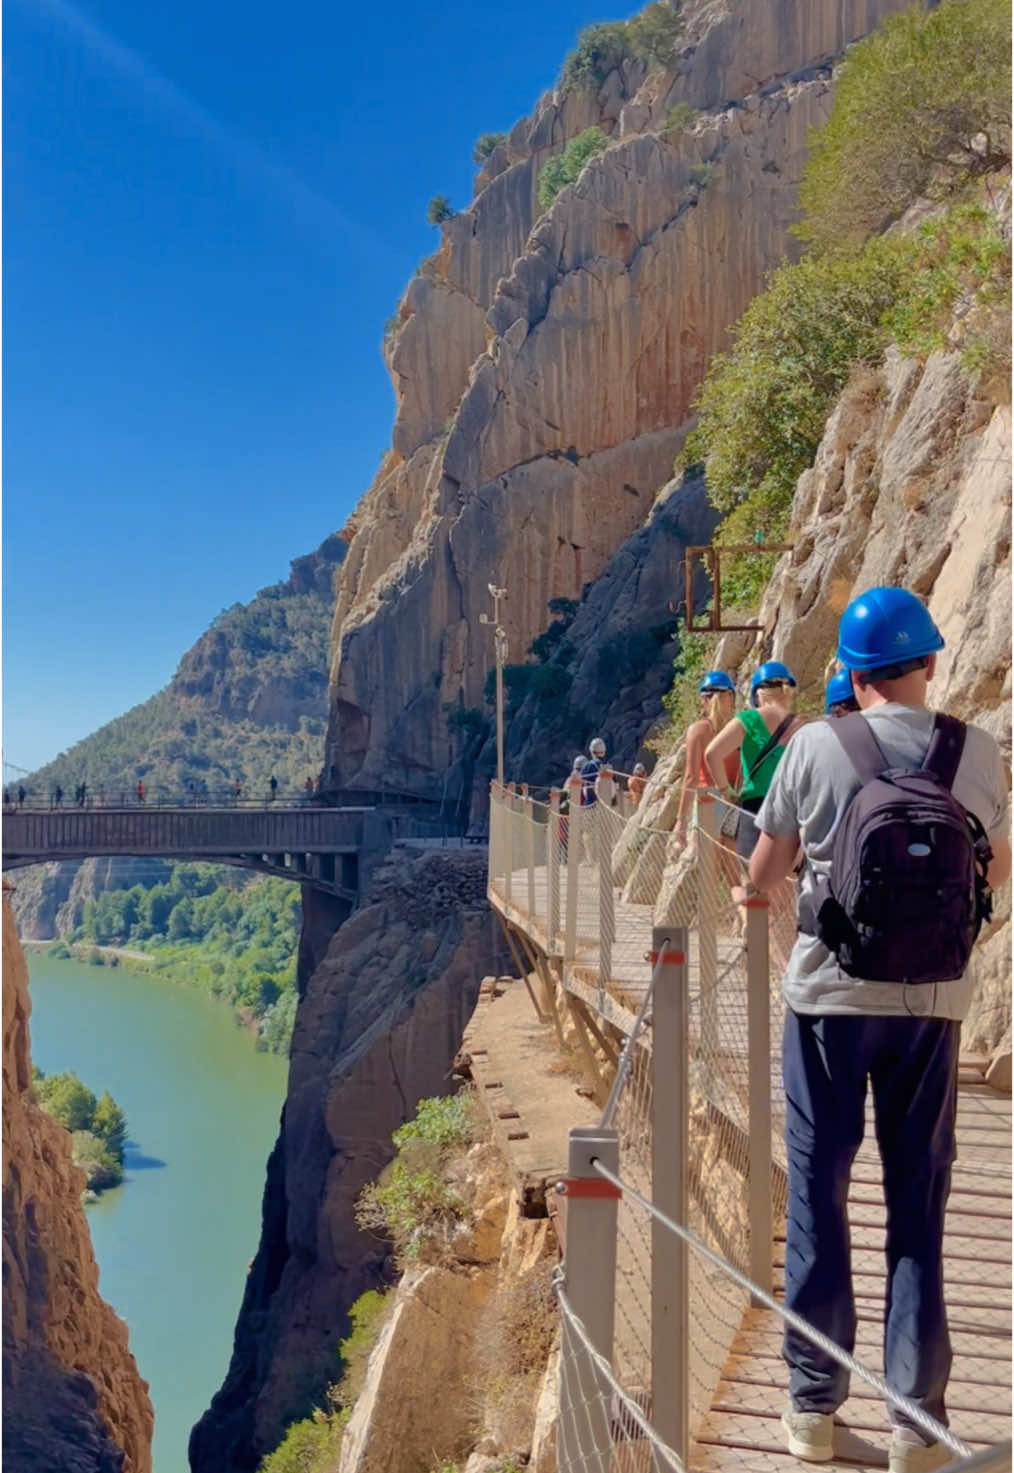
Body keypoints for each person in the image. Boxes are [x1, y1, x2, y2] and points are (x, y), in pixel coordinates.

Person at [747, 588, 1011, 1472]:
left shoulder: (814, 745)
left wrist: (772, 893)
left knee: (820, 1195)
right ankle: (917, 1425)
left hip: (827, 1005)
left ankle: (813, 1411)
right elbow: (995, 873)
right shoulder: (977, 751)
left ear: (853, 675)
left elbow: (764, 868)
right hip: (932, 1009)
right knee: (917, 1208)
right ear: (930, 662)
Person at [705, 660, 804, 861]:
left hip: (756, 810)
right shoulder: (802, 725)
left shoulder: (748, 719)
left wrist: (726, 791)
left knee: (754, 881)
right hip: (793, 809)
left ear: (758, 693)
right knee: (789, 881)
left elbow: (712, 754)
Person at [674, 671, 739, 850]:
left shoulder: (698, 730)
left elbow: (691, 777)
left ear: (704, 700)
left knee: (705, 872)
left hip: (708, 804)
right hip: (734, 804)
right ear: (731, 697)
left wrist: (681, 822)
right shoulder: (739, 729)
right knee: (732, 870)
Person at [581, 737, 607, 807]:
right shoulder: (607, 767)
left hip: (590, 802)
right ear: (604, 752)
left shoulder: (587, 766)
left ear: (592, 752)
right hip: (605, 804)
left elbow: (580, 781)